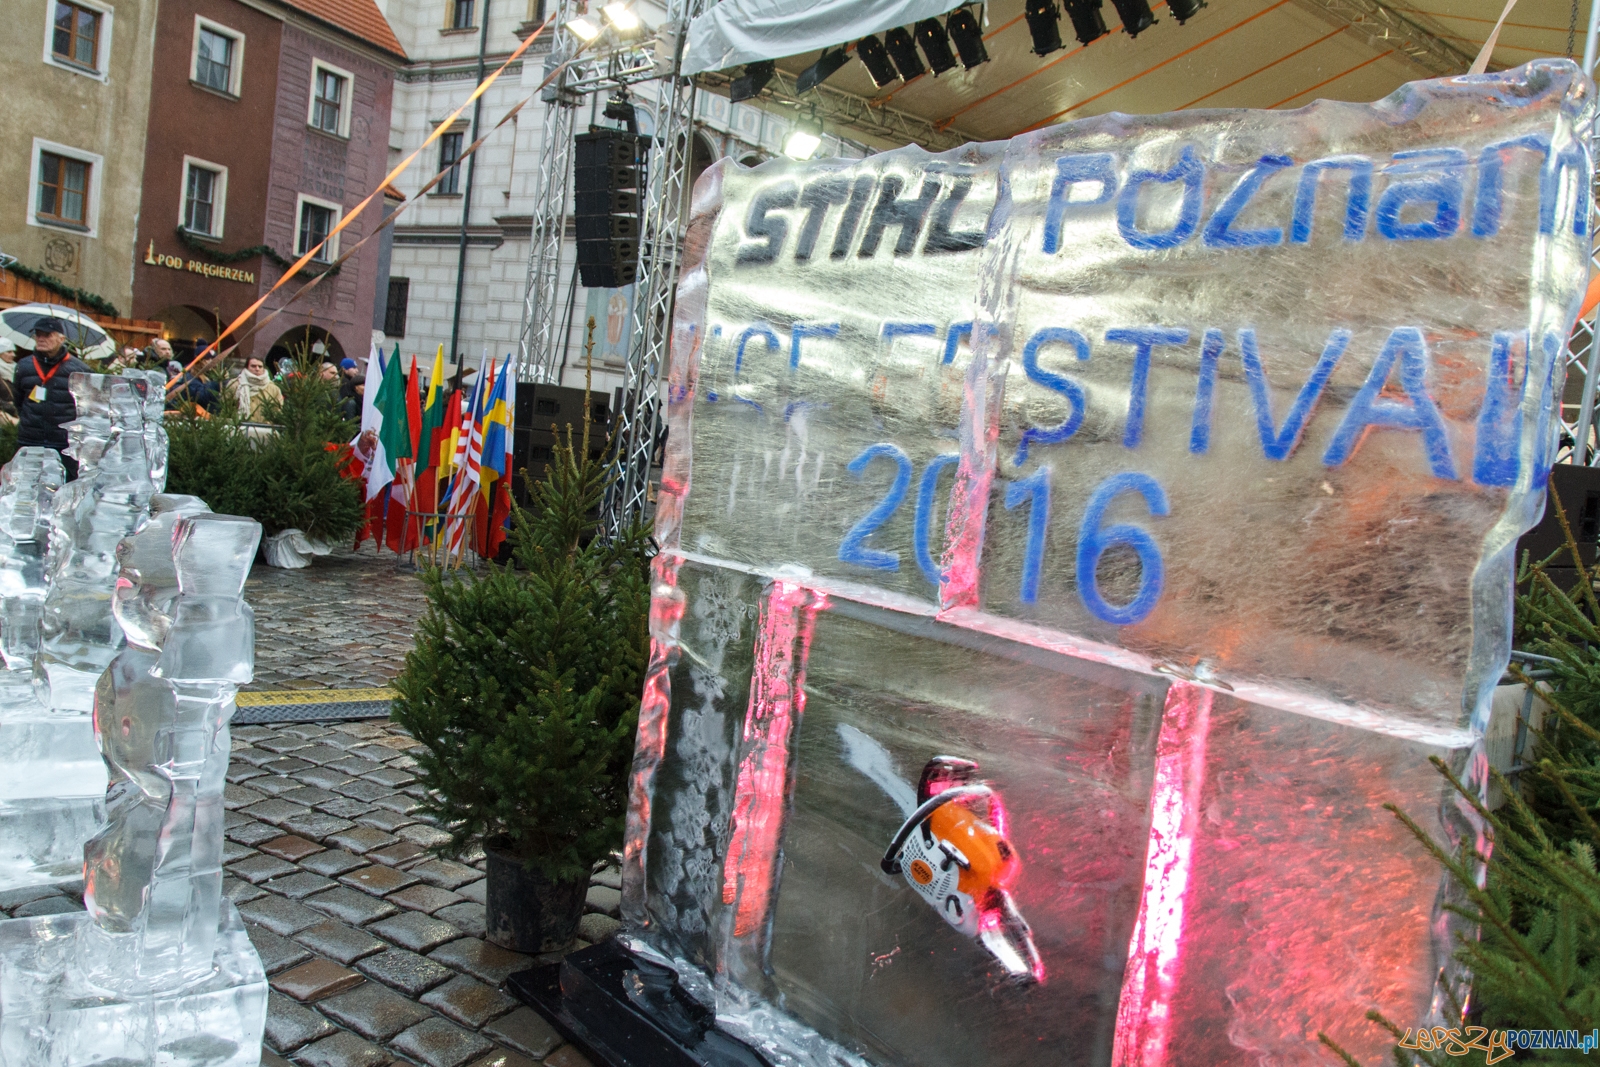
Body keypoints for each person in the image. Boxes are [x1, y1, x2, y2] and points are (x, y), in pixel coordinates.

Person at [15, 317, 90, 479]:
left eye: (47, 335)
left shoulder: (79, 370)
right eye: (38, 334)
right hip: (30, 441)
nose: (41, 339)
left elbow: (87, 408)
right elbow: (19, 401)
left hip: (64, 444)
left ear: (61, 339)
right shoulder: (24, 366)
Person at [228, 355, 283, 422]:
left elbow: (278, 411)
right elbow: (225, 407)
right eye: (253, 366)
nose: (257, 369)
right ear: (247, 367)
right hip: (239, 428)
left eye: (260, 366)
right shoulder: (235, 385)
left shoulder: (274, 389)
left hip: (265, 429)